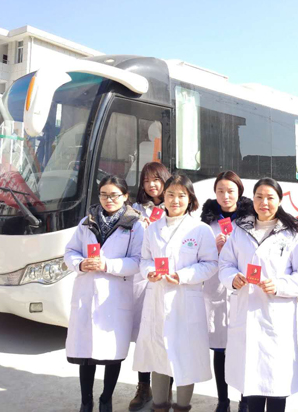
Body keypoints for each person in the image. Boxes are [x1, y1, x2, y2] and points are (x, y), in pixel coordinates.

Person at [219, 178, 298, 412]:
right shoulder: (240, 230)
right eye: (259, 197)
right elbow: (225, 264)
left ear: (280, 200)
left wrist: (279, 285)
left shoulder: (295, 233)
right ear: (252, 199)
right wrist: (233, 278)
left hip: (276, 316)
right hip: (246, 312)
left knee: (275, 382)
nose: (264, 202)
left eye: (270, 197)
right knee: (251, 381)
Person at [133, 174, 219, 412]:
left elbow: (210, 264)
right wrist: (149, 272)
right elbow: (145, 259)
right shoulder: (153, 228)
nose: (175, 200)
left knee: (185, 355)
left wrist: (182, 276)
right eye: (170, 194)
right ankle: (159, 405)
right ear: (164, 197)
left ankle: (182, 406)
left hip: (185, 301)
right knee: (158, 354)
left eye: (181, 195)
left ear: (190, 199)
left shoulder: (200, 229)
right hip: (158, 298)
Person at [64, 175, 144, 412]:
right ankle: (86, 401)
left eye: (114, 195)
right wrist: (80, 264)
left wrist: (107, 265)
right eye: (104, 195)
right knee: (85, 353)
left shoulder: (135, 225)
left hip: (114, 296)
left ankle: (106, 399)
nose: (109, 200)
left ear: (125, 196)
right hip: (87, 293)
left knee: (112, 354)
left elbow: (138, 261)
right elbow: (70, 251)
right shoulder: (86, 222)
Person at [200, 171, 253, 412]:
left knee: (243, 347)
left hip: (242, 287)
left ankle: (245, 399)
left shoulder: (250, 219)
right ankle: (223, 400)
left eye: (231, 191)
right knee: (220, 347)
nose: (225, 196)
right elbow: (200, 254)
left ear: (239, 192)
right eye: (220, 191)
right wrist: (215, 248)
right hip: (216, 289)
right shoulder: (207, 221)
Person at [129, 162, 172, 412]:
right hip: (144, 278)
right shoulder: (135, 210)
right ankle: (143, 386)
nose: (151, 185)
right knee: (144, 336)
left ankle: (166, 388)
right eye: (146, 181)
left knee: (168, 335)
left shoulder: (176, 205)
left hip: (168, 280)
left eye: (156, 179)